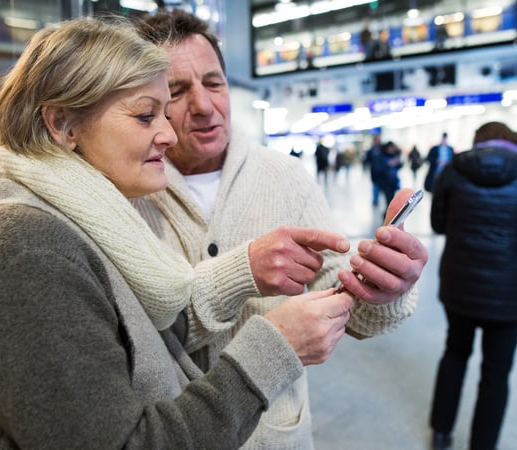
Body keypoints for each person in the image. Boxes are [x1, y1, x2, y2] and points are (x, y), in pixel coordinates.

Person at [0, 16, 356, 449]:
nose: (168, 134)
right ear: (63, 126)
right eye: (147, 115)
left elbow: (142, 339)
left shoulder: (84, 223)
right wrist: (272, 349)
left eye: (163, 114)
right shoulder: (27, 256)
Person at [134, 9, 428, 449]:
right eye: (176, 91)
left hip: (274, 435)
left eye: (214, 83)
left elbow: (350, 305)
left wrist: (385, 287)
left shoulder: (285, 177)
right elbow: (132, 340)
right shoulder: (129, 191)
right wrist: (243, 271)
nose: (203, 105)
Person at [428, 121, 517, 450]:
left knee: (455, 351)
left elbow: (438, 223)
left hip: (459, 282)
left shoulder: (453, 171)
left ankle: (442, 431)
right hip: (507, 291)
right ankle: (483, 444)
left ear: (477, 143)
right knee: (496, 372)